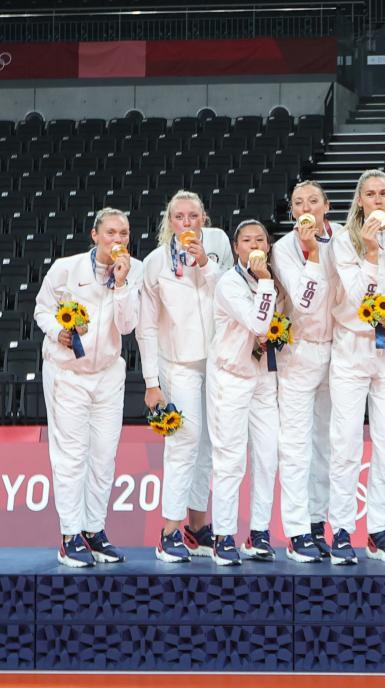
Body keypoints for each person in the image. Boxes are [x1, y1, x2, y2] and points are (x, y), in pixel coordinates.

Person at [34, 208, 142, 567]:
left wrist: (122, 283)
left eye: (123, 233)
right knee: (71, 455)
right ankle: (70, 536)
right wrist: (58, 332)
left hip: (108, 374)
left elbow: (127, 326)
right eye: (110, 232)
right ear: (95, 235)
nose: (117, 239)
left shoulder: (133, 271)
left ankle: (94, 531)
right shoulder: (66, 268)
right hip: (68, 373)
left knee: (103, 456)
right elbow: (41, 310)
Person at [328, 169, 385, 564]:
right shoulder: (343, 240)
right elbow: (356, 295)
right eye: (370, 194)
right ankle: (341, 531)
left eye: (384, 193)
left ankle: (379, 529)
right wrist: (369, 252)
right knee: (346, 442)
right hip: (352, 346)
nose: (378, 200)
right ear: (360, 200)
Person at [139, 190, 233, 563]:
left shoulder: (219, 244)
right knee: (184, 443)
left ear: (203, 218)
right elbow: (146, 327)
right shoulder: (154, 262)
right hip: (179, 364)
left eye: (193, 216)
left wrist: (206, 263)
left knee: (208, 445)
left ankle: (196, 527)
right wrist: (151, 383)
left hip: (218, 362)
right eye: (179, 217)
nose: (187, 223)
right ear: (170, 221)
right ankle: (168, 532)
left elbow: (230, 293)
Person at [206, 220, 281, 565]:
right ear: (236, 247)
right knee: (230, 459)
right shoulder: (229, 283)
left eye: (260, 240)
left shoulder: (271, 278)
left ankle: (259, 533)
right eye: (247, 240)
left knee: (267, 457)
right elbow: (258, 323)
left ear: (268, 245)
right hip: (231, 377)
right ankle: (223, 535)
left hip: (263, 377)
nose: (254, 245)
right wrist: (265, 280)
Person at [271, 181, 338, 563]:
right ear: (293, 211)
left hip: (338, 351)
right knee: (296, 445)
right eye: (298, 203)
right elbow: (304, 301)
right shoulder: (283, 248)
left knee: (326, 444)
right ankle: (296, 531)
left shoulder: (344, 238)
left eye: (313, 200)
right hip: (299, 352)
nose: (306, 207)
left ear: (326, 205)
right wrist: (312, 252)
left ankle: (316, 523)